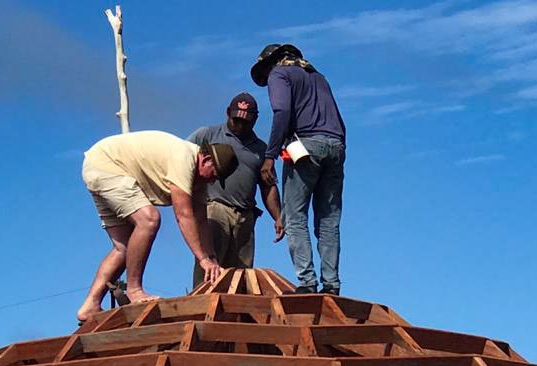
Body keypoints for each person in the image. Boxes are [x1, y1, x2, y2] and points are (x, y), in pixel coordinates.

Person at [77, 131, 237, 320]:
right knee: (149, 220)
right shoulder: (184, 159)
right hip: (108, 165)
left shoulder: (199, 180)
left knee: (124, 247)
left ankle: (90, 305)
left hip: (99, 167)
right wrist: (202, 259)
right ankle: (134, 289)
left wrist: (212, 259)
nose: (212, 181)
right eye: (214, 175)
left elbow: (200, 220)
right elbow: (183, 215)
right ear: (206, 159)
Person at [251, 43, 346, 295]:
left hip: (305, 145)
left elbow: (282, 110)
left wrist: (270, 155)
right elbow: (338, 119)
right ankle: (332, 285)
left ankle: (307, 283)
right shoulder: (318, 76)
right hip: (335, 146)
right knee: (328, 220)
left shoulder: (279, 74)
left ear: (270, 62)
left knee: (295, 216)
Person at [187, 93, 284, 287]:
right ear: (228, 113)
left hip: (245, 216)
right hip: (215, 207)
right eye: (236, 119)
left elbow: (267, 186)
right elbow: (183, 161)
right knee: (210, 269)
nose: (240, 125)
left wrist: (278, 217)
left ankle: (234, 315)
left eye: (245, 121)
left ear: (255, 119)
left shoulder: (261, 149)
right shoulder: (207, 135)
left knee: (241, 276)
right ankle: (200, 308)